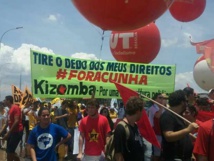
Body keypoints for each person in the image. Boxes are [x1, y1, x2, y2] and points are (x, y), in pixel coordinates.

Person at [159, 90, 199, 161]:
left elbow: (183, 136)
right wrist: (188, 129)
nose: (187, 103)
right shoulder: (168, 116)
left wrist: (191, 154)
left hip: (185, 157)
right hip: (174, 157)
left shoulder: (178, 116)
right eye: (186, 101)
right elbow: (168, 136)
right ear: (182, 102)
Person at [114, 96, 145, 161]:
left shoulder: (135, 125)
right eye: (142, 111)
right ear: (138, 111)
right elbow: (118, 155)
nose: (142, 114)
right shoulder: (121, 128)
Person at [0, 95, 23, 161]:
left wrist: (8, 133)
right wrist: (1, 132)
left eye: (5, 100)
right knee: (9, 150)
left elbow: (16, 121)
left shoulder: (15, 108)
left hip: (17, 132)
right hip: (12, 132)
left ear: (9, 100)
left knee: (10, 151)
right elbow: (7, 123)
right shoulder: (9, 110)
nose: (4, 102)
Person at [148, 93, 164, 161]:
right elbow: (157, 116)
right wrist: (162, 107)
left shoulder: (162, 107)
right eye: (159, 98)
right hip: (156, 133)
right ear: (155, 100)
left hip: (162, 133)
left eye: (162, 98)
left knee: (161, 153)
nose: (161, 99)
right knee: (156, 154)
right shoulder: (152, 108)